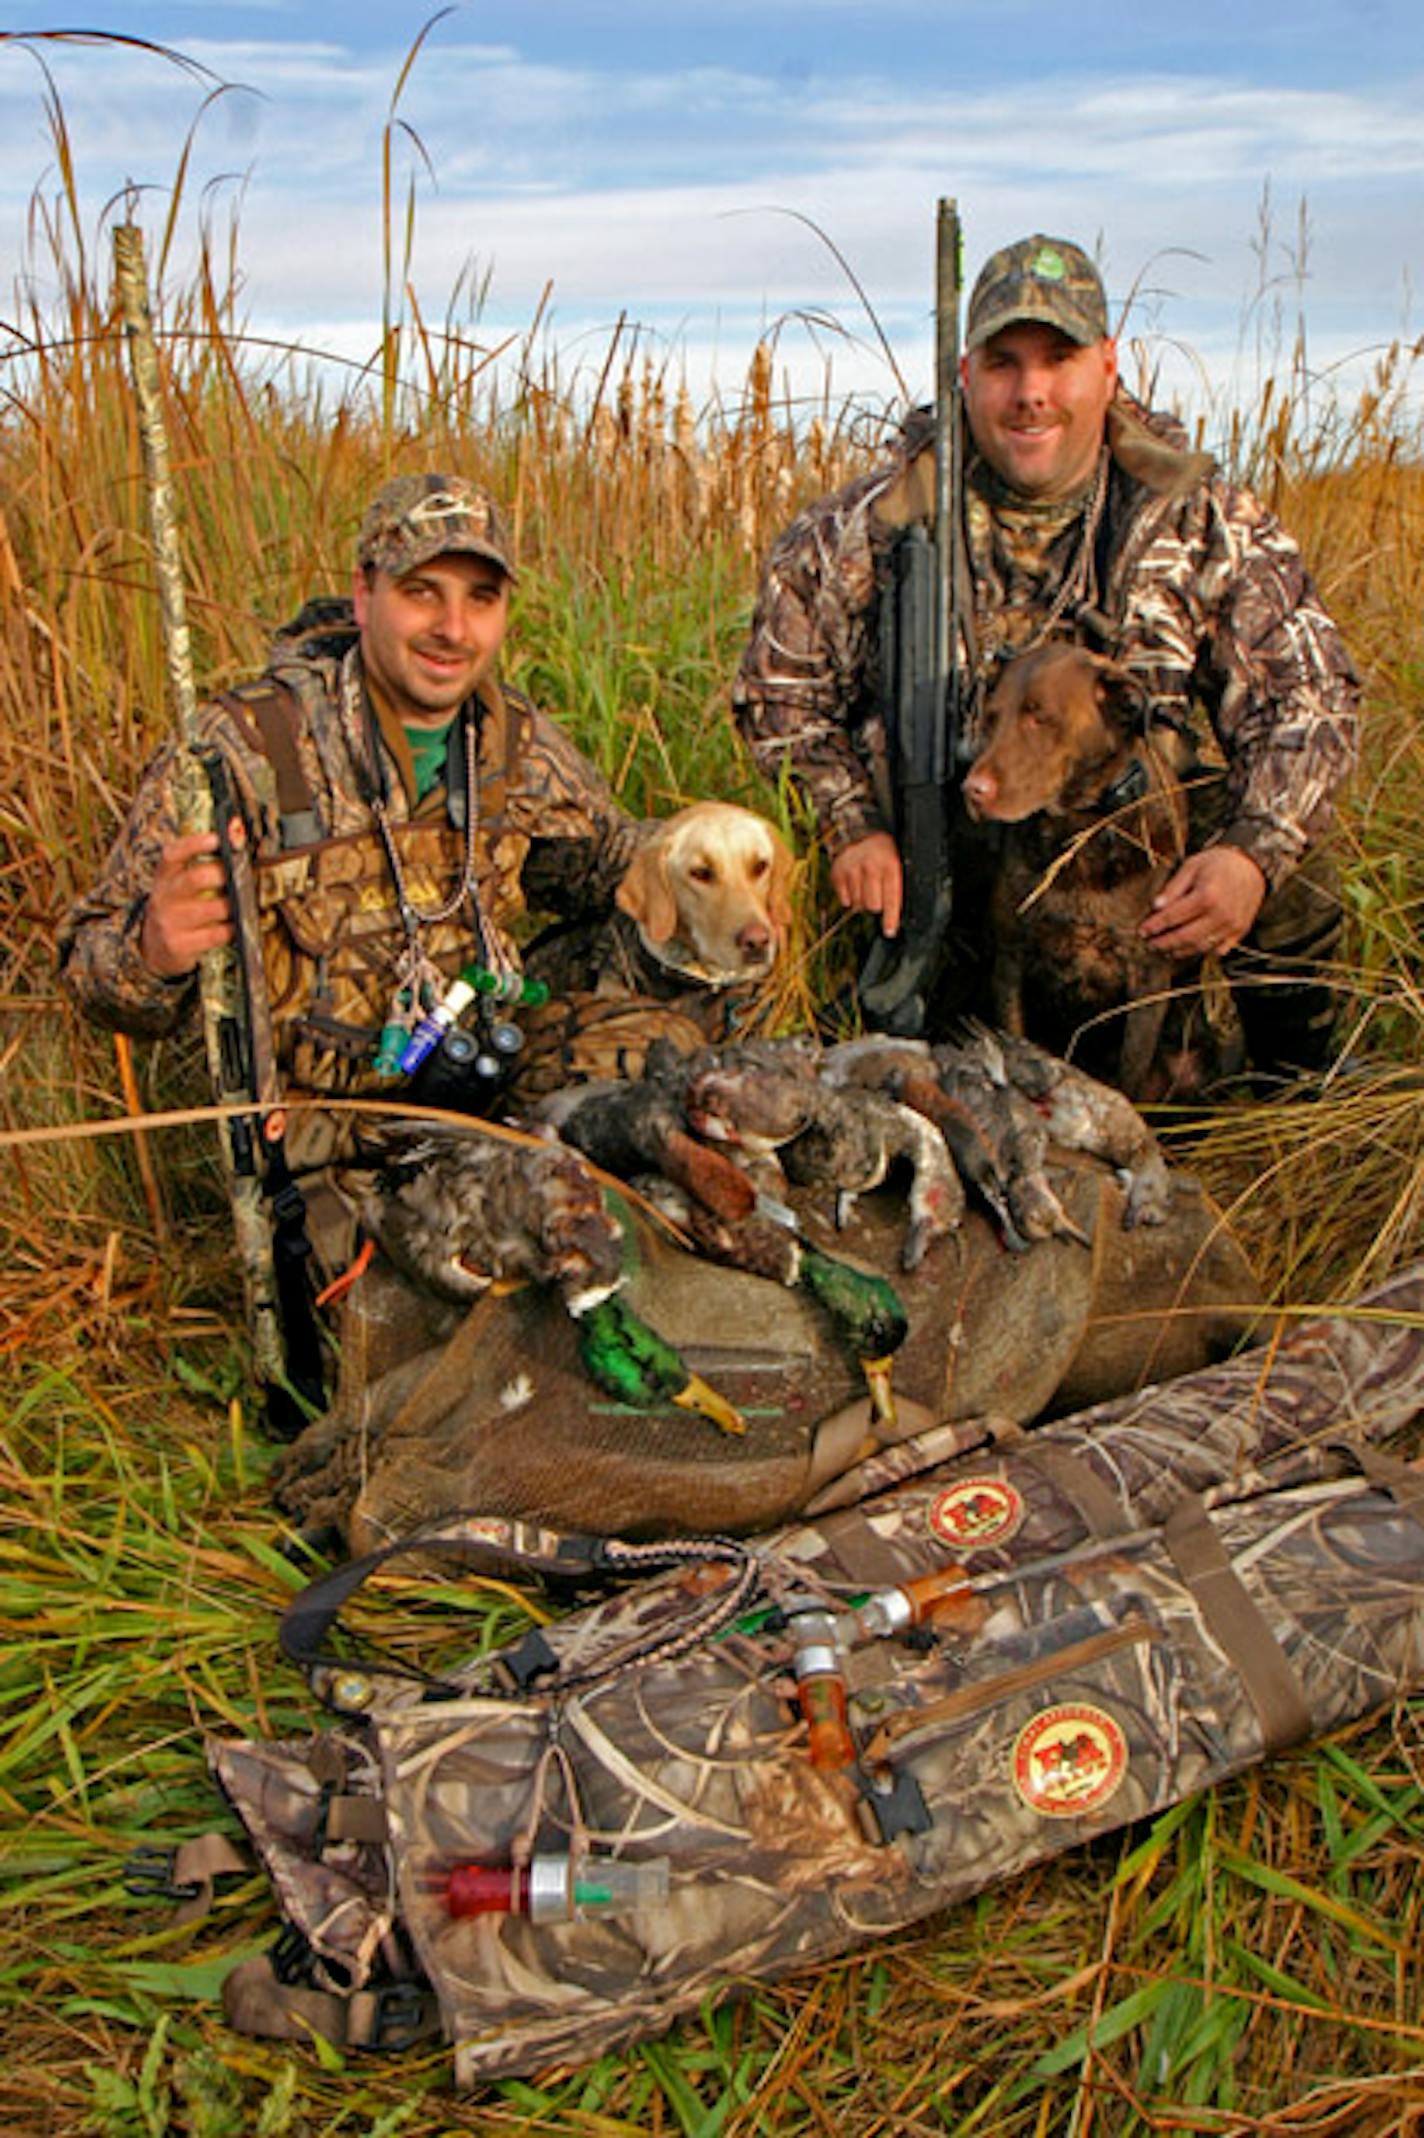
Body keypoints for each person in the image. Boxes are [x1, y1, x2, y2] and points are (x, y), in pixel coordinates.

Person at [60, 471, 643, 1417]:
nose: (454, 630)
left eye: (480, 599)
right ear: (365, 591)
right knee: (408, 1382)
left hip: (473, 1095)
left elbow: (611, 867)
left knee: (665, 1074)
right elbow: (91, 972)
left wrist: (715, 864)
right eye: (424, 593)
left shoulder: (513, 739)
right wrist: (156, 950)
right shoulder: (246, 747)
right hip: (326, 1144)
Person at [733, 233, 1361, 1082]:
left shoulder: (1200, 516)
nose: (1030, 392)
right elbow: (780, 695)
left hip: (1134, 858)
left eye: (1057, 359)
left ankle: (1299, 1097)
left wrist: (1249, 855)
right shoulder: (870, 523)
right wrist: (854, 825)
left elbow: (1311, 697)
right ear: (966, 376)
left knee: (1293, 866)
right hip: (942, 863)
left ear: (1108, 367)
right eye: (1003, 363)